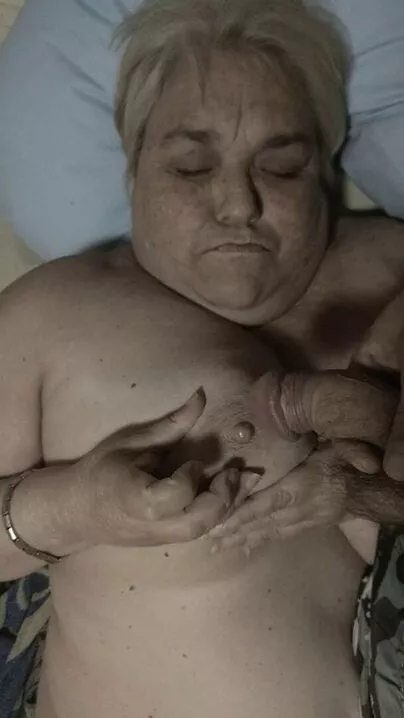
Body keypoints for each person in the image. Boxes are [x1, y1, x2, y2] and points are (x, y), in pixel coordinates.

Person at [1, 0, 404, 716]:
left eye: (281, 166)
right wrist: (74, 508)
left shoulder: (394, 277)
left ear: (323, 169)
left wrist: (367, 493)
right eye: (191, 167)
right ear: (135, 171)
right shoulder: (53, 310)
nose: (237, 203)